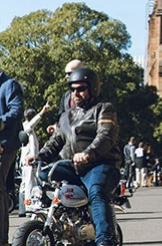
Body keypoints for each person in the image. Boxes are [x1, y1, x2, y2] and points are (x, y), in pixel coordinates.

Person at [28, 67, 121, 246]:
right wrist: (39, 157)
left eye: (81, 89)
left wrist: (88, 153)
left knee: (97, 191)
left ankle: (105, 240)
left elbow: (106, 136)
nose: (75, 93)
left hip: (100, 164)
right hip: (73, 165)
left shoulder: (104, 109)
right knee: (44, 174)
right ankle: (64, 222)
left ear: (92, 88)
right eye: (72, 89)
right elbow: (54, 142)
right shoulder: (65, 117)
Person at [0, 71, 23, 246]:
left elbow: (16, 111)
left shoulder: (10, 85)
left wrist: (1, 120)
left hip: (4, 145)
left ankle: (2, 240)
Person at [18, 103, 50, 217]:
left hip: (32, 161)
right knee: (29, 184)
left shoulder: (30, 130)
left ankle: (28, 206)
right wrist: (43, 111)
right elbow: (33, 123)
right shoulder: (27, 127)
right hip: (28, 162)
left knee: (31, 183)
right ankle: (28, 207)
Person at [46, 59, 85, 134]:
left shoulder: (91, 95)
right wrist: (56, 126)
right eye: (66, 74)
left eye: (69, 73)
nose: (66, 76)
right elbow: (61, 115)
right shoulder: (66, 95)